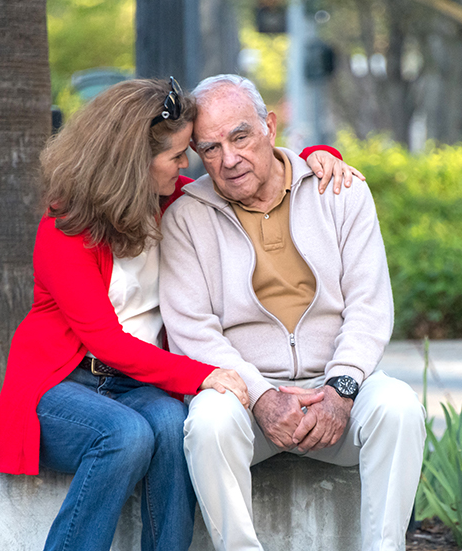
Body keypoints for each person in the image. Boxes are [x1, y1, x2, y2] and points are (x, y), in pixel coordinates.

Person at [0, 77, 359, 551]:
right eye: (176, 155)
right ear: (135, 162)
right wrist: (204, 375)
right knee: (125, 436)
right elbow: (106, 342)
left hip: (137, 385)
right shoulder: (64, 230)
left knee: (176, 428)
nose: (186, 164)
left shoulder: (173, 201)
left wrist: (321, 154)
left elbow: (256, 172)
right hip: (62, 385)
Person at [158, 74, 426, 551]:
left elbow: (369, 304)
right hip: (247, 399)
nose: (229, 159)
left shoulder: (339, 192)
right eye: (210, 148)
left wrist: (341, 389)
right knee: (207, 422)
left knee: (399, 407)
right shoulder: (186, 216)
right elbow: (191, 331)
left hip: (336, 387)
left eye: (240, 136)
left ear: (270, 127)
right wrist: (261, 397)